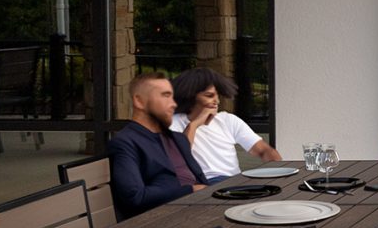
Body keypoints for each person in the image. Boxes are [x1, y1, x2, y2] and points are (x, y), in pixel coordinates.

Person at [107, 69, 211, 219]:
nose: (173, 104)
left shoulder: (178, 139)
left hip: (201, 208)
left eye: (172, 97)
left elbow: (200, 181)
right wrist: (190, 191)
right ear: (139, 101)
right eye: (165, 96)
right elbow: (135, 197)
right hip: (163, 220)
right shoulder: (125, 142)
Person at [169, 67, 283, 180]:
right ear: (190, 96)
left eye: (217, 95)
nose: (217, 101)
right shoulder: (174, 123)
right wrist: (195, 124)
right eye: (209, 96)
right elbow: (179, 157)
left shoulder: (228, 120)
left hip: (234, 181)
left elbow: (263, 150)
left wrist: (278, 171)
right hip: (203, 183)